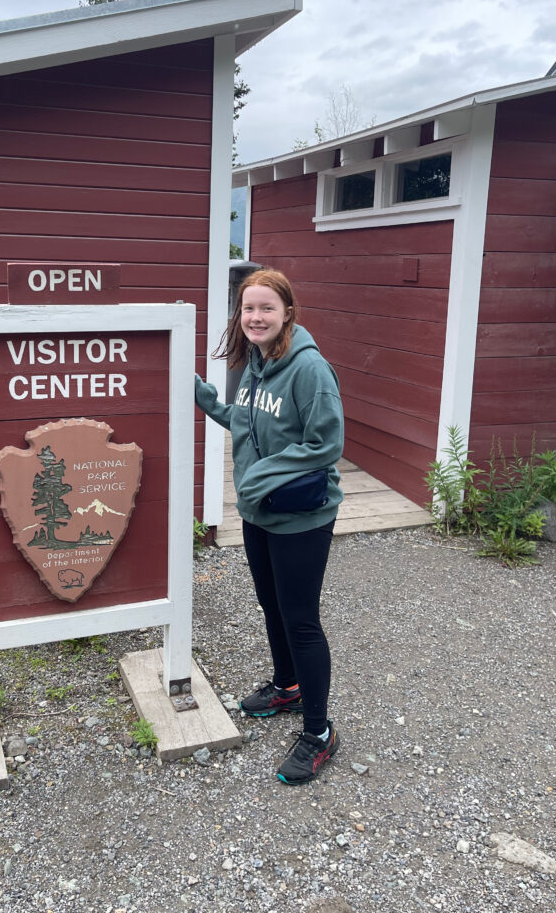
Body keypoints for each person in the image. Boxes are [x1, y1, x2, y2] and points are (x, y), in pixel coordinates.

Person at [195, 268, 344, 785]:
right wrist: (200, 393)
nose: (254, 317)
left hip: (302, 515)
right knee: (271, 605)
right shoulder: (258, 362)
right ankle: (287, 687)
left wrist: (257, 476)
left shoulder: (309, 369)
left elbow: (326, 444)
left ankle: (320, 733)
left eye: (266, 308)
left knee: (301, 618)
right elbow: (247, 419)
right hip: (260, 510)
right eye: (247, 308)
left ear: (287, 314)